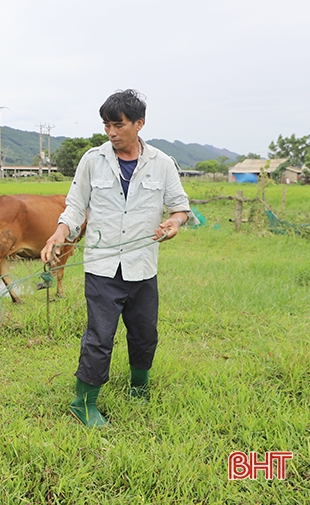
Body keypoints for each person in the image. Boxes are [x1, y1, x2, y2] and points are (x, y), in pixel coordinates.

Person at [41, 89, 197, 428]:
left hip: (143, 266)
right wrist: (58, 235)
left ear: (139, 124)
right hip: (102, 266)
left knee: (144, 333)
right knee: (99, 335)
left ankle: (139, 388)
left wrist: (173, 223)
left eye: (119, 125)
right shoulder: (92, 160)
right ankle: (83, 402)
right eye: (106, 125)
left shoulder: (162, 163)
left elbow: (181, 208)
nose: (111, 133)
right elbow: (74, 207)